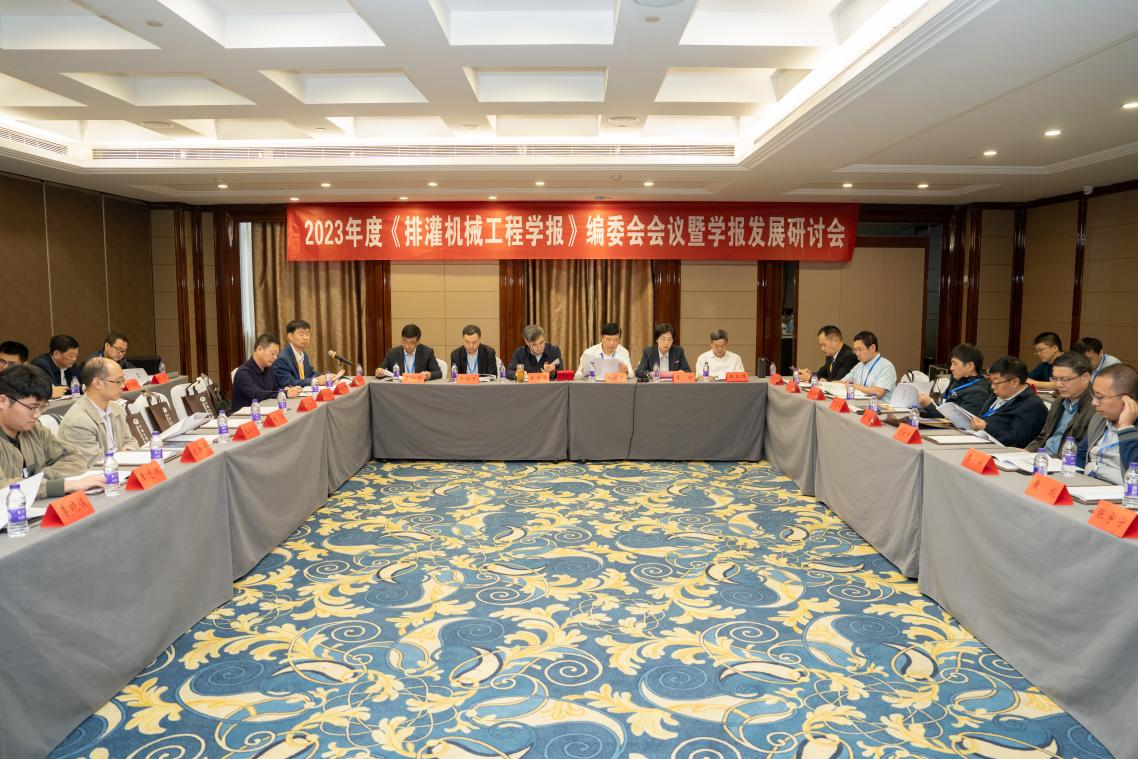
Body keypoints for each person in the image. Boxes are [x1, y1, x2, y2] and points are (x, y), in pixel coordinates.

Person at [0, 364, 100, 498]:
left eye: (42, 407)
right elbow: (2, 487)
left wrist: (42, 477)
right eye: (32, 407)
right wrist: (60, 486)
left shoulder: (35, 430)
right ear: (3, 401)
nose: (37, 415)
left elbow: (76, 459)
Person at [57, 357, 140, 467]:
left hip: (119, 467)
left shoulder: (116, 409)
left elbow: (131, 441)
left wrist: (127, 451)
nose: (123, 385)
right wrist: (123, 456)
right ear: (97, 383)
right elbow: (95, 463)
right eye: (118, 381)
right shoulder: (78, 421)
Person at [1024, 352, 1096, 459]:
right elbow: (1043, 437)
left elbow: (1082, 451)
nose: (1058, 384)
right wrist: (1025, 453)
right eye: (1055, 379)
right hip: (1041, 458)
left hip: (1063, 463)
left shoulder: (1096, 407)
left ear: (1085, 377)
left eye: (1064, 379)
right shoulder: (1058, 402)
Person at [969, 356, 1048, 447]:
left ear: (1015, 382)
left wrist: (986, 428)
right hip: (979, 440)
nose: (992, 386)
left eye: (996, 382)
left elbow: (1016, 441)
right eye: (991, 381)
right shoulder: (998, 394)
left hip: (1000, 450)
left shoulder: (1032, 406)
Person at [1083, 364, 1138, 484]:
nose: (1094, 402)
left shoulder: (1131, 429)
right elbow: (1081, 452)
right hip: (1088, 484)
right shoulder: (1099, 418)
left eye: (1100, 397)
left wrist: (1125, 428)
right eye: (1094, 395)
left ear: (1127, 399)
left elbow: (1135, 471)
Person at [231, 333, 301, 411]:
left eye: (277, 355)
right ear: (259, 349)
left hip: (267, 410)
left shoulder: (269, 369)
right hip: (248, 415)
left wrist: (286, 389)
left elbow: (274, 389)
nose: (275, 358)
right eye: (272, 353)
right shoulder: (243, 372)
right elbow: (257, 394)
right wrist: (284, 393)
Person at [918, 343, 990, 418]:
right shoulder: (957, 380)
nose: (951, 368)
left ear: (970, 366)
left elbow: (958, 419)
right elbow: (945, 407)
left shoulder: (979, 393)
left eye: (955, 364)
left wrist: (929, 405)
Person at [839, 330, 897, 402]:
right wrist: (828, 384)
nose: (857, 353)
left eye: (860, 350)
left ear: (872, 348)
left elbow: (878, 392)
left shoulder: (886, 366)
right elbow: (843, 382)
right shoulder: (859, 365)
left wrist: (856, 386)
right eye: (855, 350)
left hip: (880, 407)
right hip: (861, 404)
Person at [273, 319, 332, 387]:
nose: (305, 338)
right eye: (301, 334)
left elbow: (309, 374)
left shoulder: (304, 354)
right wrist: (315, 381)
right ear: (290, 336)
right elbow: (288, 382)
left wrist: (326, 377)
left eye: (307, 334)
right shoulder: (283, 358)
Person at [376, 323, 443, 380]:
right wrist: (379, 372)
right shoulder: (392, 353)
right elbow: (381, 369)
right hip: (399, 388)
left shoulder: (427, 352)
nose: (407, 346)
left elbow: (438, 373)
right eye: (404, 341)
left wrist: (429, 375)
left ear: (417, 342)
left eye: (411, 343)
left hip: (419, 388)